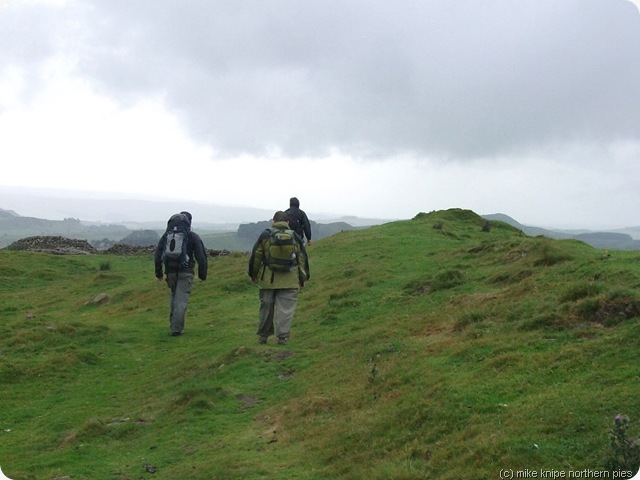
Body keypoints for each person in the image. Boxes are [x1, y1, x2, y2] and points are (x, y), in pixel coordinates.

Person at [248, 211, 310, 345]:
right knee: (285, 309)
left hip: (268, 279)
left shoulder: (266, 235)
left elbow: (256, 256)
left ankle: (263, 337)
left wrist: (253, 275)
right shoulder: (295, 236)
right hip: (290, 279)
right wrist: (302, 278)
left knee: (266, 308)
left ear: (273, 221)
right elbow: (302, 258)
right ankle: (282, 338)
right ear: (288, 223)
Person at [154, 211, 208, 336]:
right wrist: (202, 275)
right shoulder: (192, 236)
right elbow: (202, 257)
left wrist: (159, 273)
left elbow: (158, 255)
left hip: (170, 272)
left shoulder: (167, 235)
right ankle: (176, 329)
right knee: (181, 300)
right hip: (186, 272)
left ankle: (173, 324)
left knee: (174, 296)